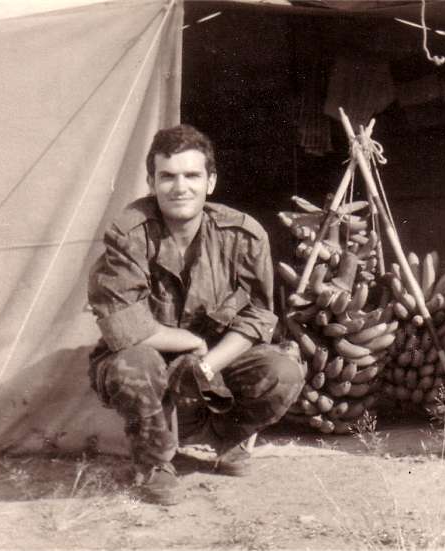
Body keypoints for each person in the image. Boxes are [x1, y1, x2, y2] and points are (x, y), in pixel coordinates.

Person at [88, 124, 306, 505]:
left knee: (283, 371)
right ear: (151, 182)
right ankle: (154, 461)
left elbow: (257, 316)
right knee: (132, 365)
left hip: (215, 361)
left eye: (192, 175)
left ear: (211, 182)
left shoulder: (243, 235)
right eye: (167, 176)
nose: (180, 187)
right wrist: (190, 342)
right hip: (148, 355)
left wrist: (208, 363)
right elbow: (124, 325)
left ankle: (223, 439)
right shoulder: (128, 234)